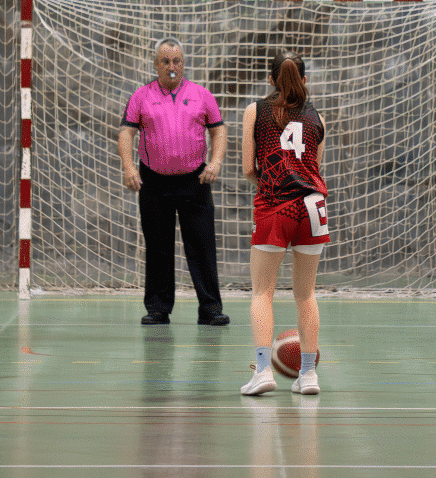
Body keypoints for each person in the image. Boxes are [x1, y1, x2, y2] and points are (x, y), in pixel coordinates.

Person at [117, 38, 228, 326]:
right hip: (154, 182)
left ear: (183, 63)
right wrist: (129, 168)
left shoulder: (202, 95)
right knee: (158, 246)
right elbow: (126, 133)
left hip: (195, 181)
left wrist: (214, 163)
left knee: (202, 246)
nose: (171, 66)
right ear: (156, 64)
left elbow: (219, 131)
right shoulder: (141, 96)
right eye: (165, 61)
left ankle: (210, 308)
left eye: (176, 61)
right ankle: (158, 308)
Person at [239, 50, 329, 397]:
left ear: (272, 80)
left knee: (263, 292)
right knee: (306, 294)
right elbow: (313, 169)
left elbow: (249, 168)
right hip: (312, 207)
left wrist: (269, 182)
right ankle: (308, 375)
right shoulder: (317, 117)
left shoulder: (256, 111)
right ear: (304, 80)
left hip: (276, 204)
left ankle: (263, 371)